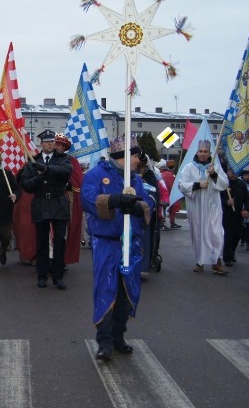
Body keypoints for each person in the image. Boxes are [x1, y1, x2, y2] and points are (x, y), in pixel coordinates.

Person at [81, 136, 152, 361]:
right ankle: (104, 342)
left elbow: (147, 202)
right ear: (122, 156)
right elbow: (87, 199)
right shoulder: (95, 175)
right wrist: (114, 200)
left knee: (127, 290)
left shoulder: (135, 179)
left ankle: (118, 336)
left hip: (130, 243)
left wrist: (139, 208)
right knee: (106, 289)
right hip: (106, 242)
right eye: (134, 155)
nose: (137, 160)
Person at [18, 129, 73, 289]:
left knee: (59, 242)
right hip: (41, 203)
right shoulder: (32, 161)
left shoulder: (63, 159)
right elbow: (26, 185)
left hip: (58, 202)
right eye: (47, 142)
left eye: (53, 142)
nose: (50, 144)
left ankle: (58, 276)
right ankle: (42, 275)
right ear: (41, 144)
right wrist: (39, 178)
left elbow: (66, 172)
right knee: (41, 243)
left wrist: (47, 169)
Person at [178, 140, 230, 275]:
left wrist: (213, 175)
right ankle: (199, 261)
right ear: (196, 152)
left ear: (210, 153)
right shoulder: (189, 167)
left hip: (213, 206)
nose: (202, 154)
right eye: (200, 151)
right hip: (196, 207)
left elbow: (224, 184)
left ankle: (217, 261)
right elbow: (182, 185)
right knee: (198, 233)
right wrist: (197, 185)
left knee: (217, 233)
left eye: (205, 151)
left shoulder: (216, 167)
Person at [54, 133, 84, 269]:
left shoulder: (71, 161)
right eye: (56, 144)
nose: (57, 146)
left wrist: (68, 184)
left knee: (63, 231)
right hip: (50, 200)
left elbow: (78, 182)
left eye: (60, 145)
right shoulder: (47, 159)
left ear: (64, 147)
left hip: (66, 200)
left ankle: (62, 259)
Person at [221, 163, 249, 266]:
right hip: (227, 214)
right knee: (228, 235)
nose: (233, 174)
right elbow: (217, 199)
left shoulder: (241, 184)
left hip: (238, 213)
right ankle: (227, 257)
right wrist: (226, 202)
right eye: (231, 172)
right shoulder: (223, 184)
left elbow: (247, 198)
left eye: (235, 172)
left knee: (237, 235)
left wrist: (247, 209)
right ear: (227, 172)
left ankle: (232, 252)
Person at [160, 159, 181, 229]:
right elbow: (170, 186)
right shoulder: (169, 174)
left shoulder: (163, 173)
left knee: (163, 209)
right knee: (170, 209)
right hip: (167, 194)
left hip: (164, 194)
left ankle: (163, 223)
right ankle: (165, 223)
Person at [239, 165, 249, 249]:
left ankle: (248, 241)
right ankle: (242, 238)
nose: (247, 177)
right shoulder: (239, 181)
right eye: (245, 175)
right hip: (240, 206)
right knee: (241, 225)